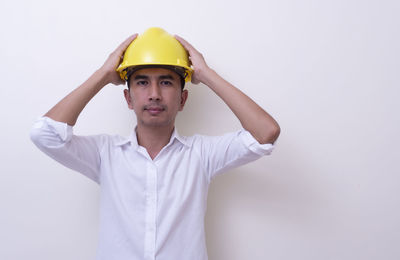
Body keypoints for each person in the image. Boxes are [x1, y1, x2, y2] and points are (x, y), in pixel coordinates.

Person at [30, 28, 280, 260]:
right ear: (128, 98)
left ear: (182, 100)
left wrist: (206, 75)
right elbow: (45, 134)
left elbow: (266, 132)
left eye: (166, 82)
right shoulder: (105, 154)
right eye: (142, 82)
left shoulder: (201, 155)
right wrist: (103, 75)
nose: (154, 94)